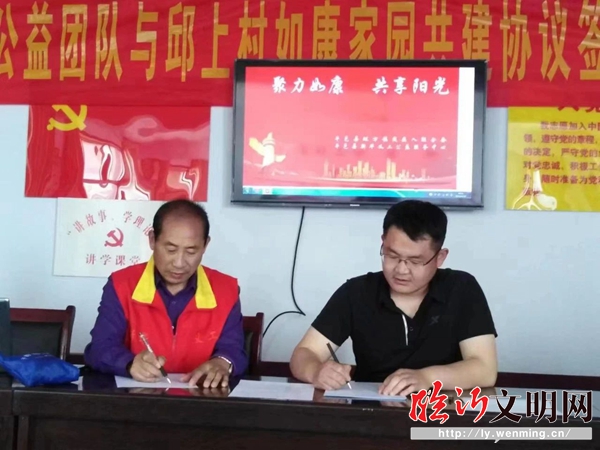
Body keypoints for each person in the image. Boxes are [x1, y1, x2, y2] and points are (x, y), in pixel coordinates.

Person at [290, 200, 497, 397]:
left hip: (442, 411)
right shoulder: (356, 292)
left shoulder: (461, 288)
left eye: (415, 261)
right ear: (383, 243)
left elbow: (485, 369)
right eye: (392, 256)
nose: (401, 270)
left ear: (440, 257)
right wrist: (316, 371)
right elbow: (305, 352)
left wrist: (427, 378)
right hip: (371, 410)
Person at [84, 199, 248, 388]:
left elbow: (234, 349)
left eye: (191, 251)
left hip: (202, 400)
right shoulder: (122, 285)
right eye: (170, 250)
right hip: (137, 398)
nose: (179, 263)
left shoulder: (225, 289)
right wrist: (129, 363)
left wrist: (223, 362)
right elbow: (99, 348)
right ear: (152, 240)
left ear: (205, 245)